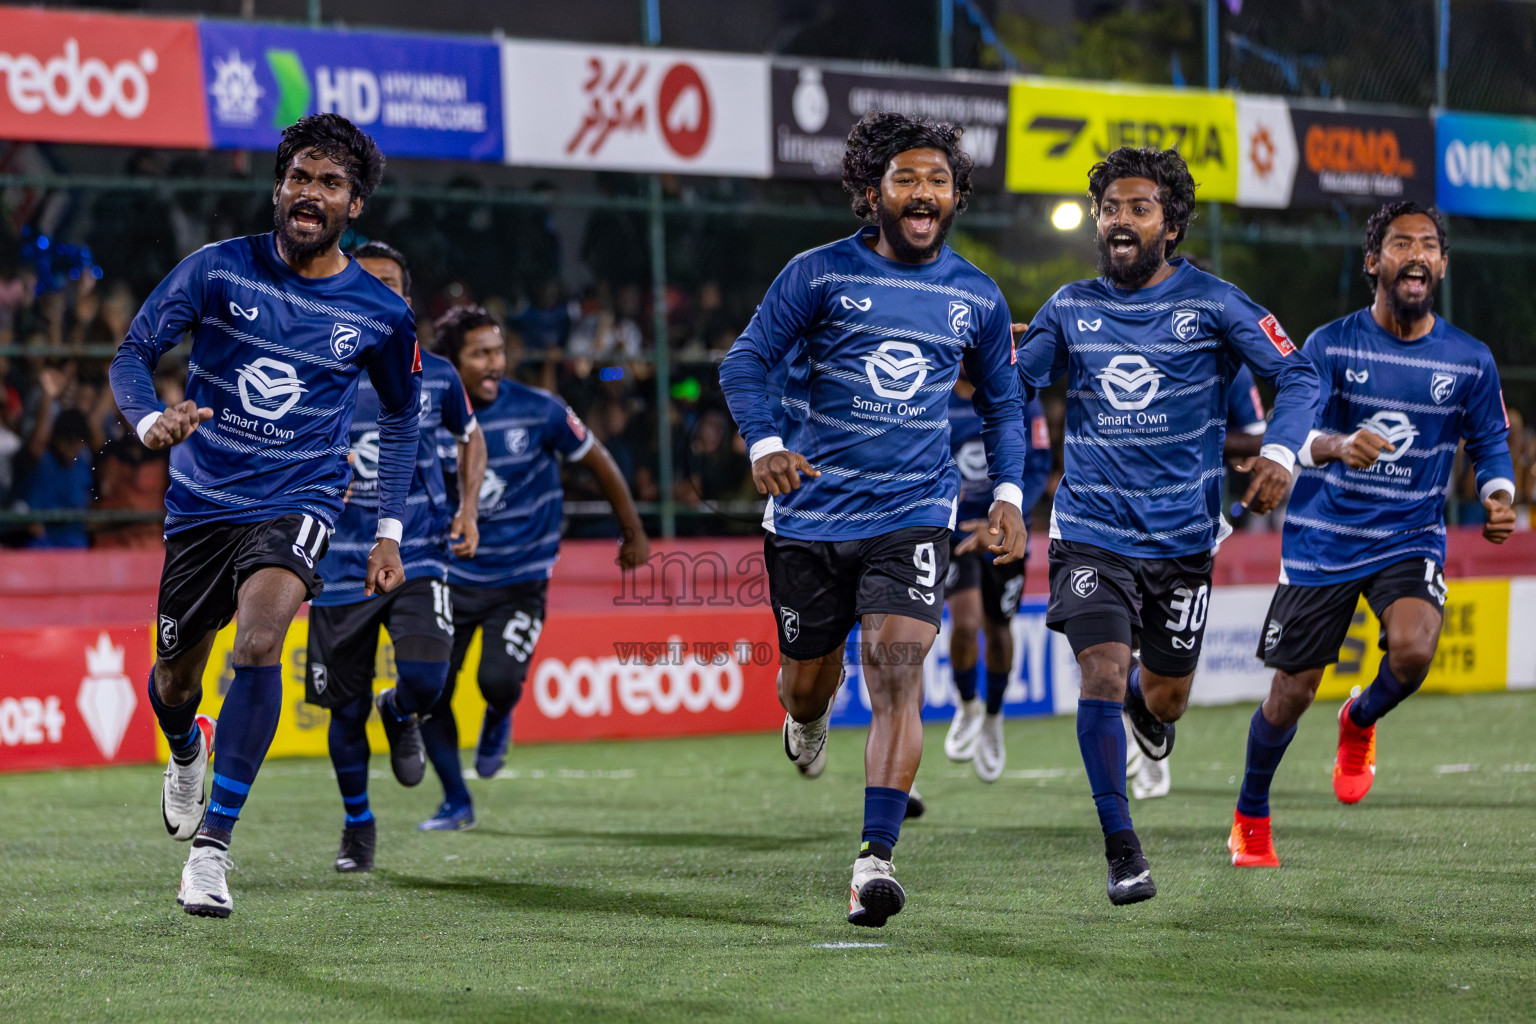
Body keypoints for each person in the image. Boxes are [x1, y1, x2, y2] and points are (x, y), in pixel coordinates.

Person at [719, 111, 1028, 928]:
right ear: (871, 193)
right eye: (905, 179)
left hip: (914, 513)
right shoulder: (816, 274)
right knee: (807, 680)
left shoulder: (977, 297)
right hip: (810, 516)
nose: (923, 193)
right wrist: (766, 443)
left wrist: (1008, 496)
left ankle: (875, 860)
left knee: (896, 668)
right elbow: (745, 361)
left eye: (937, 180)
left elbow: (1003, 403)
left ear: (957, 195)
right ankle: (807, 717)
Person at [108, 114, 420, 917]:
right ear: (278, 187)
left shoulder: (380, 313)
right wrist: (151, 424)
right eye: (299, 178)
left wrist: (389, 530)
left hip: (300, 496)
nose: (310, 194)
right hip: (202, 502)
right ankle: (187, 747)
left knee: (258, 640)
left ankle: (212, 851)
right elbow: (133, 353)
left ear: (355, 205)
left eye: (330, 184)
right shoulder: (217, 270)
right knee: (176, 676)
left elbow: (401, 416)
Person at [1014, 146, 1319, 905]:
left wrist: (1282, 451)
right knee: (1103, 672)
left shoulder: (1216, 304)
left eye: (1138, 208)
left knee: (1166, 698)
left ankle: (1147, 716)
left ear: (1171, 225)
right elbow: (1012, 378)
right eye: (1110, 208)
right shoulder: (1071, 306)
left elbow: (1300, 375)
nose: (1121, 220)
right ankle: (1122, 848)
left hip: (1183, 541)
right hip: (1090, 529)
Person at [1229, 202, 1516, 868]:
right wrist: (1334, 445)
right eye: (1399, 243)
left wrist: (1498, 495)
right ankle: (1251, 813)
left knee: (1415, 651)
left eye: (1428, 245)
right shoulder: (1329, 347)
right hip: (1322, 540)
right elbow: (1289, 435)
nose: (1415, 254)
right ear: (1372, 262)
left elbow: (1491, 444)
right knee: (1290, 693)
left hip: (1409, 535)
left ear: (1442, 263)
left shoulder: (1470, 360)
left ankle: (1359, 720)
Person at [417, 305, 648, 830]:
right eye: (481, 354)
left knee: (497, 681)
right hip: (449, 578)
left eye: (498, 351)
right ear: (452, 363)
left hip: (520, 581)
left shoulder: (541, 410)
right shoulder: (429, 415)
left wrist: (631, 529)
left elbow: (600, 462)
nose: (495, 362)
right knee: (428, 690)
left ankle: (500, 714)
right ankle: (456, 800)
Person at [304, 241, 487, 873]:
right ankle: (358, 826)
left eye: (390, 285)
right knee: (343, 710)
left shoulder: (436, 373)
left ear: (405, 299)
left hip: (419, 554)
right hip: (337, 565)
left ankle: (401, 710)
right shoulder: (316, 365)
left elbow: (472, 439)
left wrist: (465, 510)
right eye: (366, 281)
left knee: (427, 681)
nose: (378, 292)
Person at [1125, 362, 1268, 800]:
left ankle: (1144, 713)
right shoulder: (1111, 335)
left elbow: (1256, 435)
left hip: (1188, 528)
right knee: (1112, 648)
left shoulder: (1224, 359)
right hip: (1111, 521)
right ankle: (1139, 758)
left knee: (1161, 671)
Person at [942, 379, 1052, 781]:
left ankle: (992, 716)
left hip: (1005, 530)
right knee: (966, 622)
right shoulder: (936, 389)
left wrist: (1009, 514)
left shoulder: (1018, 393)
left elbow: (1039, 462)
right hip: (954, 531)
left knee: (999, 626)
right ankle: (967, 703)